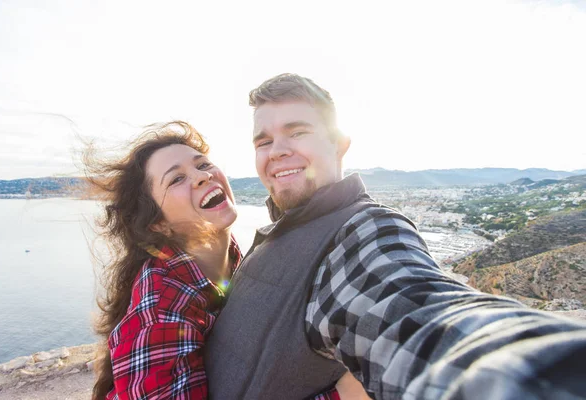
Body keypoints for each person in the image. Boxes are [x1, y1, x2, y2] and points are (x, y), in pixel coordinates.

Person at [204, 74, 586, 400]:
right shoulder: (278, 232)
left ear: (339, 144)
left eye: (297, 132)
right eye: (263, 141)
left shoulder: (362, 230)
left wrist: (525, 373)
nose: (278, 151)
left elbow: (414, 314)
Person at [87, 121, 351, 399]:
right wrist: (342, 395)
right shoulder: (158, 316)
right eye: (176, 179)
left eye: (202, 165)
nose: (202, 177)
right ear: (158, 224)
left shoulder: (232, 258)